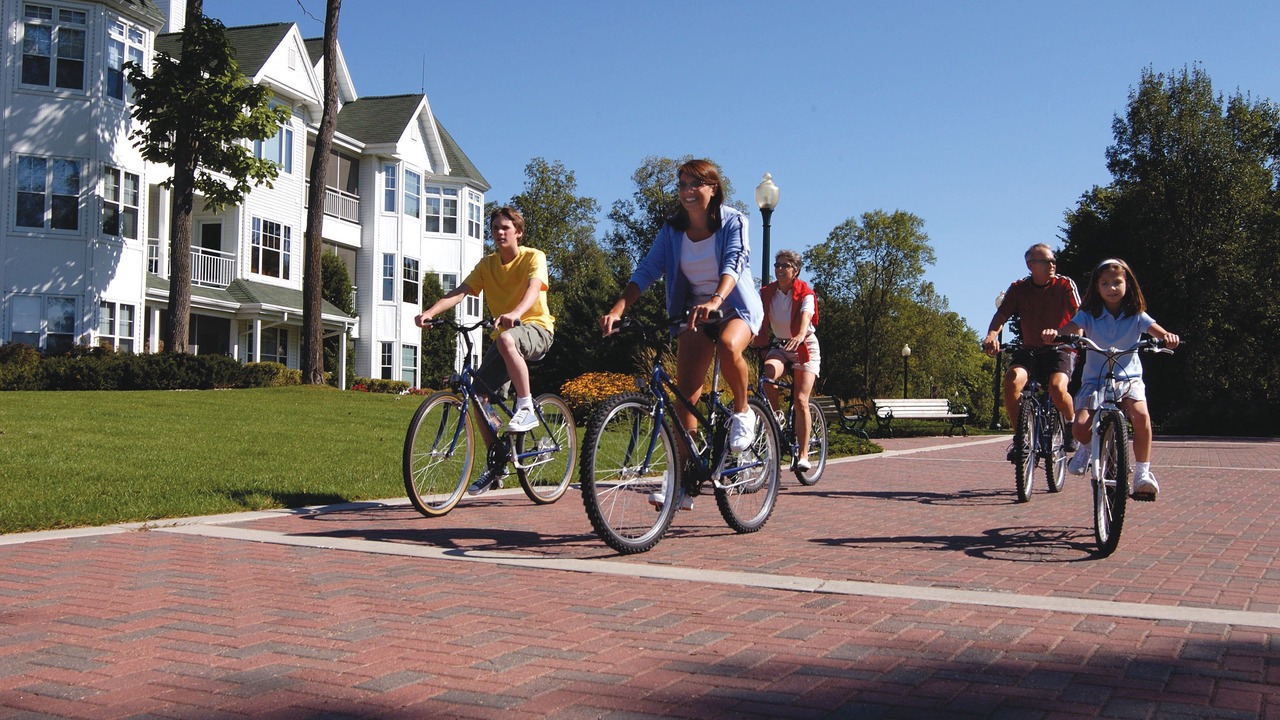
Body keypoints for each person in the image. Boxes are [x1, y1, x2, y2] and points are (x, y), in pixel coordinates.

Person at [600, 159, 764, 510]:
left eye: (695, 184)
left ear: (712, 188)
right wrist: (619, 308)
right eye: (682, 184)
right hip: (693, 313)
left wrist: (717, 299)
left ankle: (743, 411)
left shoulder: (735, 221)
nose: (687, 191)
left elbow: (735, 262)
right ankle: (682, 483)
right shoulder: (672, 230)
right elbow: (647, 270)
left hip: (734, 307)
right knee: (684, 399)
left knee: (727, 343)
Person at [415, 206, 554, 496]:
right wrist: (429, 312)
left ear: (518, 232)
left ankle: (526, 406)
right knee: (477, 397)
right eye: (495, 229)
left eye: (505, 228)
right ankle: (497, 462)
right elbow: (460, 292)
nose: (500, 233)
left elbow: (533, 289)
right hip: (506, 336)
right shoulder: (487, 264)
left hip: (536, 329)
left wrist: (515, 313)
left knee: (506, 340)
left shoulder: (533, 257)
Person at [1042, 257, 1179, 500]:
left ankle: (1142, 473)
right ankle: (1086, 449)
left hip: (1129, 379)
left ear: (1128, 284)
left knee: (1141, 416)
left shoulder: (1136, 314)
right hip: (1095, 380)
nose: (1111, 288)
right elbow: (1069, 328)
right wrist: (1056, 334)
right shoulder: (1088, 314)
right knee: (1080, 428)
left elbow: (1156, 330)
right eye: (1104, 284)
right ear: (1097, 287)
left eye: (1117, 282)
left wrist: (1167, 336)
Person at [982, 243, 1081, 461]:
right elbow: (1001, 316)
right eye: (1046, 261)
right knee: (1012, 381)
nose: (1052, 264)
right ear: (1030, 265)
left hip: (1060, 349)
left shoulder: (1065, 285)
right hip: (1030, 350)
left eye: (1053, 260)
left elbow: (1080, 317)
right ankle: (1021, 438)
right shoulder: (1018, 288)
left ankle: (1070, 421)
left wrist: (1063, 334)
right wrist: (991, 335)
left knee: (1056, 387)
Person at [755, 249, 821, 471]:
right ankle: (776, 416)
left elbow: (806, 316)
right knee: (767, 377)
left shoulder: (806, 293)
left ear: (796, 271)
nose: (780, 269)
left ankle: (803, 454)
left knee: (801, 399)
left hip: (805, 345)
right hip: (781, 345)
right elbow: (754, 315)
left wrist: (801, 334)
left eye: (785, 266)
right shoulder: (767, 293)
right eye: (777, 265)